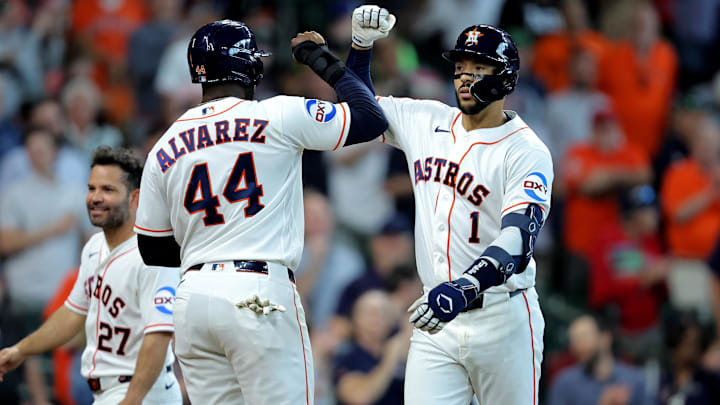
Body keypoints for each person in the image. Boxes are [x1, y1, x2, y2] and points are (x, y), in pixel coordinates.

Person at [133, 20, 388, 405]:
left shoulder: (165, 145)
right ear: (249, 66)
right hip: (256, 293)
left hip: (192, 300)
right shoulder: (277, 114)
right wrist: (320, 59)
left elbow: (152, 249)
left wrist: (211, 248)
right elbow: (370, 117)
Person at [348, 7, 550, 403]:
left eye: (479, 67)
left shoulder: (526, 150)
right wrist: (361, 46)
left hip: (502, 316)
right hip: (436, 316)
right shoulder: (425, 119)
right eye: (461, 65)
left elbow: (519, 236)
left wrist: (467, 285)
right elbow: (359, 110)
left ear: (505, 78)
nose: (464, 75)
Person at [0, 147, 182, 405]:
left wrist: (132, 400)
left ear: (134, 198)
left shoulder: (153, 255)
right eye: (91, 188)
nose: (95, 197)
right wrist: (20, 350)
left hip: (143, 392)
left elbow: (159, 337)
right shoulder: (94, 247)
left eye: (108, 190)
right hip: (106, 391)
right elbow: (73, 313)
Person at [548, 315, 653, 405]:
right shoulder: (565, 384)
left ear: (605, 339)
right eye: (574, 341)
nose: (577, 346)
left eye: (583, 338)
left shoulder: (635, 379)